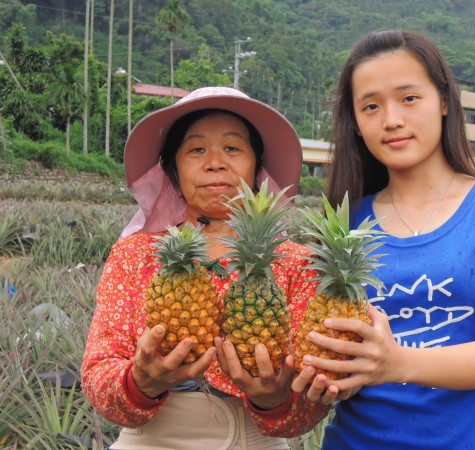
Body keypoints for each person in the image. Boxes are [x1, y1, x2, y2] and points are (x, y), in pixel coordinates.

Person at [291, 29, 475, 449]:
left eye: (409, 98)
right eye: (370, 106)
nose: (391, 119)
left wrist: (395, 363)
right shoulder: (343, 223)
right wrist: (321, 380)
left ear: (444, 101)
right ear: (355, 123)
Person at [81, 86, 330, 449]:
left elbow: (310, 405)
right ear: (173, 168)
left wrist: (274, 400)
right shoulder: (135, 255)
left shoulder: (295, 263)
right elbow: (97, 375)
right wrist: (140, 383)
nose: (215, 162)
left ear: (256, 167)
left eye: (232, 148)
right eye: (196, 149)